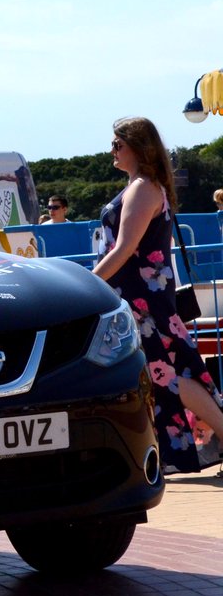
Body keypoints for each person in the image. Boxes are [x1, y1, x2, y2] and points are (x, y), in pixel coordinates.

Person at [92, 117, 223, 473]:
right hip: (142, 295)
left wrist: (89, 283)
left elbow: (124, 248)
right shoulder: (144, 186)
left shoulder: (142, 188)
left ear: (138, 146)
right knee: (165, 371)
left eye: (118, 144)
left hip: (141, 298)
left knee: (166, 371)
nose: (112, 150)